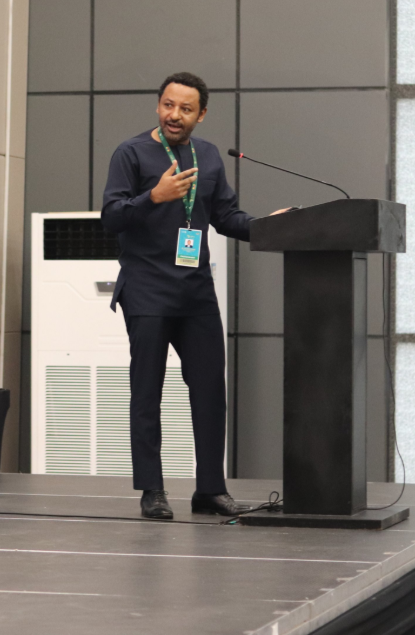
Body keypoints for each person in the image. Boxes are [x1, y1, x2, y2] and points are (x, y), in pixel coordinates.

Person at [101, 72, 290, 520]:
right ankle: (152, 490)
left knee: (209, 391)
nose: (174, 115)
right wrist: (154, 196)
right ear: (158, 105)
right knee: (147, 392)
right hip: (147, 289)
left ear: (200, 115)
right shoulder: (130, 153)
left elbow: (225, 216)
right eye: (168, 105)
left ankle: (210, 490)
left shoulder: (207, 156)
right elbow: (111, 217)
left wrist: (269, 227)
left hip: (195, 291)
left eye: (185, 109)